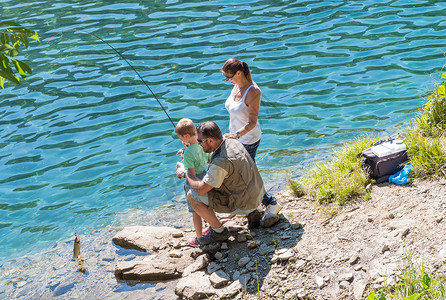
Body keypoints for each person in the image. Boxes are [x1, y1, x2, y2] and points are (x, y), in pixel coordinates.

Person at [176, 121, 265, 245]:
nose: (198, 144)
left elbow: (201, 189)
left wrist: (186, 172)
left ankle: (219, 231)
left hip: (247, 202)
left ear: (210, 141)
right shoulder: (232, 142)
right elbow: (211, 158)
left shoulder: (221, 162)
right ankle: (252, 212)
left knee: (192, 196)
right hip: (257, 194)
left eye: (200, 141)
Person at [220, 58, 282, 227]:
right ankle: (253, 209)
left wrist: (236, 135)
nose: (227, 80)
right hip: (235, 138)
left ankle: (270, 203)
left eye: (229, 76)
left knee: (246, 176)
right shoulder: (236, 85)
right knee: (245, 175)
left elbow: (252, 122)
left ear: (238, 73)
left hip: (248, 138)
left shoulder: (253, 91)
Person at [174, 118, 211, 246]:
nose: (180, 140)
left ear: (185, 136)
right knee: (207, 206)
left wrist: (181, 169)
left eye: (180, 138)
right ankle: (212, 227)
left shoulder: (189, 153)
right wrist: (188, 148)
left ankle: (199, 238)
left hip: (194, 184)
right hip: (205, 178)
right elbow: (205, 160)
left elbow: (191, 175)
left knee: (196, 212)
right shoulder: (202, 144)